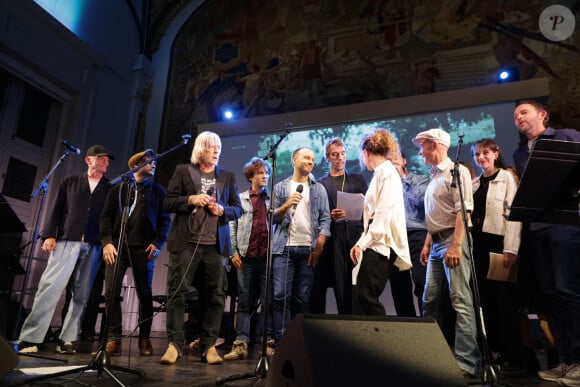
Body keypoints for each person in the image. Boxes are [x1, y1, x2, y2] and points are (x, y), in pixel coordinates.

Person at [17, 145, 114, 354]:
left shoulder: (109, 188)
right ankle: (30, 338)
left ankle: (68, 339)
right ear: (88, 160)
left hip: (94, 244)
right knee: (49, 287)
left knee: (81, 294)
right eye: (101, 158)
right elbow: (56, 209)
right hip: (66, 241)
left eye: (108, 160)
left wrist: (107, 242)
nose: (106, 162)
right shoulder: (70, 182)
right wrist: (49, 235)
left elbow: (110, 219)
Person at [512, 100, 580, 385]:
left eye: (523, 112)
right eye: (515, 116)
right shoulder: (518, 153)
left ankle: (578, 362)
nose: (518, 118)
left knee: (567, 290)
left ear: (543, 115)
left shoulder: (566, 136)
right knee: (551, 295)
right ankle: (566, 361)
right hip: (537, 228)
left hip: (564, 224)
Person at [160, 131, 242, 366]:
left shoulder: (227, 175)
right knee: (178, 293)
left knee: (216, 297)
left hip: (215, 246)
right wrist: (190, 200)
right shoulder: (183, 171)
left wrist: (223, 210)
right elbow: (167, 202)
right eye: (211, 147)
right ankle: (174, 345)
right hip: (186, 243)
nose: (216, 151)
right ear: (200, 149)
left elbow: (238, 209)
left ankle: (208, 346)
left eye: (218, 147)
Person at [412, 128, 481, 378]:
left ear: (434, 145)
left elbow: (463, 211)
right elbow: (437, 213)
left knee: (460, 300)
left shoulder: (456, 171)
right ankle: (434, 356)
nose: (420, 151)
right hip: (437, 242)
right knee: (429, 299)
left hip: (454, 238)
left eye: (423, 146)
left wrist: (455, 244)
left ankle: (467, 363)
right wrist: (428, 243)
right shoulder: (434, 177)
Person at [98, 149, 171, 356]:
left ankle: (144, 338)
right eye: (150, 162)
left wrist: (157, 243)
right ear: (136, 165)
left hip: (144, 248)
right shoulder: (118, 189)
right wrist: (107, 243)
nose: (154, 165)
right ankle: (114, 338)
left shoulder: (159, 191)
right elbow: (105, 218)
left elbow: (165, 221)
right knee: (111, 291)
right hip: (117, 247)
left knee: (145, 294)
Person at [471, 138, 524, 373]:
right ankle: (495, 352)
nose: (481, 157)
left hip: (499, 243)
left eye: (485, 153)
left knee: (505, 302)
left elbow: (514, 213)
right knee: (487, 301)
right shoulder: (473, 183)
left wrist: (511, 248)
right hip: (478, 246)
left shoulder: (507, 178)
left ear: (495, 153)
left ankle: (514, 356)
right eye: (477, 154)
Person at [271, 147, 331, 344]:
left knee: (302, 298)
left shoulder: (318, 189)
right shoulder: (280, 187)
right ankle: (282, 341)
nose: (311, 161)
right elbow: (271, 217)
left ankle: (298, 341)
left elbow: (325, 219)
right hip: (283, 248)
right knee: (280, 296)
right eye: (306, 157)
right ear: (294, 159)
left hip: (308, 249)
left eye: (313, 159)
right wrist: (287, 205)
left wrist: (321, 241)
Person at [349, 129, 411, 316]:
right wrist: (360, 243)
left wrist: (363, 244)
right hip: (375, 242)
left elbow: (382, 216)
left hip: (380, 245)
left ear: (365, 152)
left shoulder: (387, 173)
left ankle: (383, 340)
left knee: (365, 296)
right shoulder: (380, 174)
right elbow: (374, 217)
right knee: (361, 298)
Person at [310, 137, 368, 315]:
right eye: (335, 155)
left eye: (343, 154)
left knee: (355, 285)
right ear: (327, 157)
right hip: (331, 241)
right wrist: (330, 214)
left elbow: (368, 207)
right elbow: (316, 214)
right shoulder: (320, 184)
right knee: (328, 285)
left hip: (355, 237)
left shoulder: (357, 179)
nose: (340, 158)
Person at [224, 157, 273, 360]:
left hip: (266, 257)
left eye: (267, 173)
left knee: (267, 300)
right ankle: (241, 343)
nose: (265, 176)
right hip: (245, 256)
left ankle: (266, 342)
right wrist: (233, 252)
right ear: (251, 176)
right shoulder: (241, 198)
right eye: (261, 173)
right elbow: (231, 226)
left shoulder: (272, 199)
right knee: (244, 301)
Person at [390, 151, 430, 315]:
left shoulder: (421, 180)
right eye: (388, 159)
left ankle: (428, 322)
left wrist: (402, 179)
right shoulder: (383, 186)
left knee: (421, 282)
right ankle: (408, 327)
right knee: (399, 287)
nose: (392, 161)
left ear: (404, 161)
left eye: (395, 158)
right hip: (394, 237)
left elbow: (420, 202)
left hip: (417, 235)